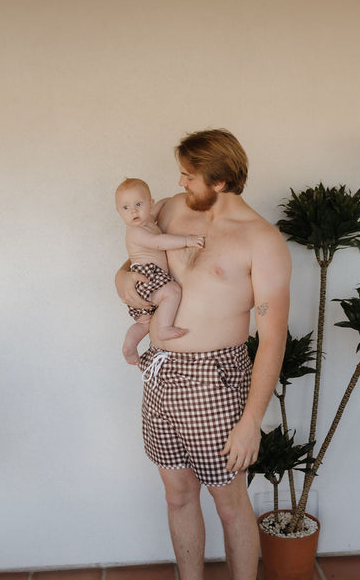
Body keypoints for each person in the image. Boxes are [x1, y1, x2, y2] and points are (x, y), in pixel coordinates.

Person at [115, 129, 291, 580]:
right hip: (161, 373)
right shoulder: (173, 209)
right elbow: (133, 254)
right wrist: (121, 281)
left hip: (215, 378)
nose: (179, 182)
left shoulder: (262, 240)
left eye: (189, 176)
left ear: (218, 181)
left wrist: (252, 421)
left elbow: (272, 337)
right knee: (177, 493)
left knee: (230, 502)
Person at [115, 177, 206, 364]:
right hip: (147, 276)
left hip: (149, 278)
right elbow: (159, 242)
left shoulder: (146, 221)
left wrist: (169, 201)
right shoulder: (136, 232)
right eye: (125, 208)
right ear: (119, 212)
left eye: (138, 204)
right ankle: (164, 328)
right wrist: (187, 241)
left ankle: (129, 346)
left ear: (150, 204)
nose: (133, 211)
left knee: (144, 322)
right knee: (173, 291)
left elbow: (155, 211)